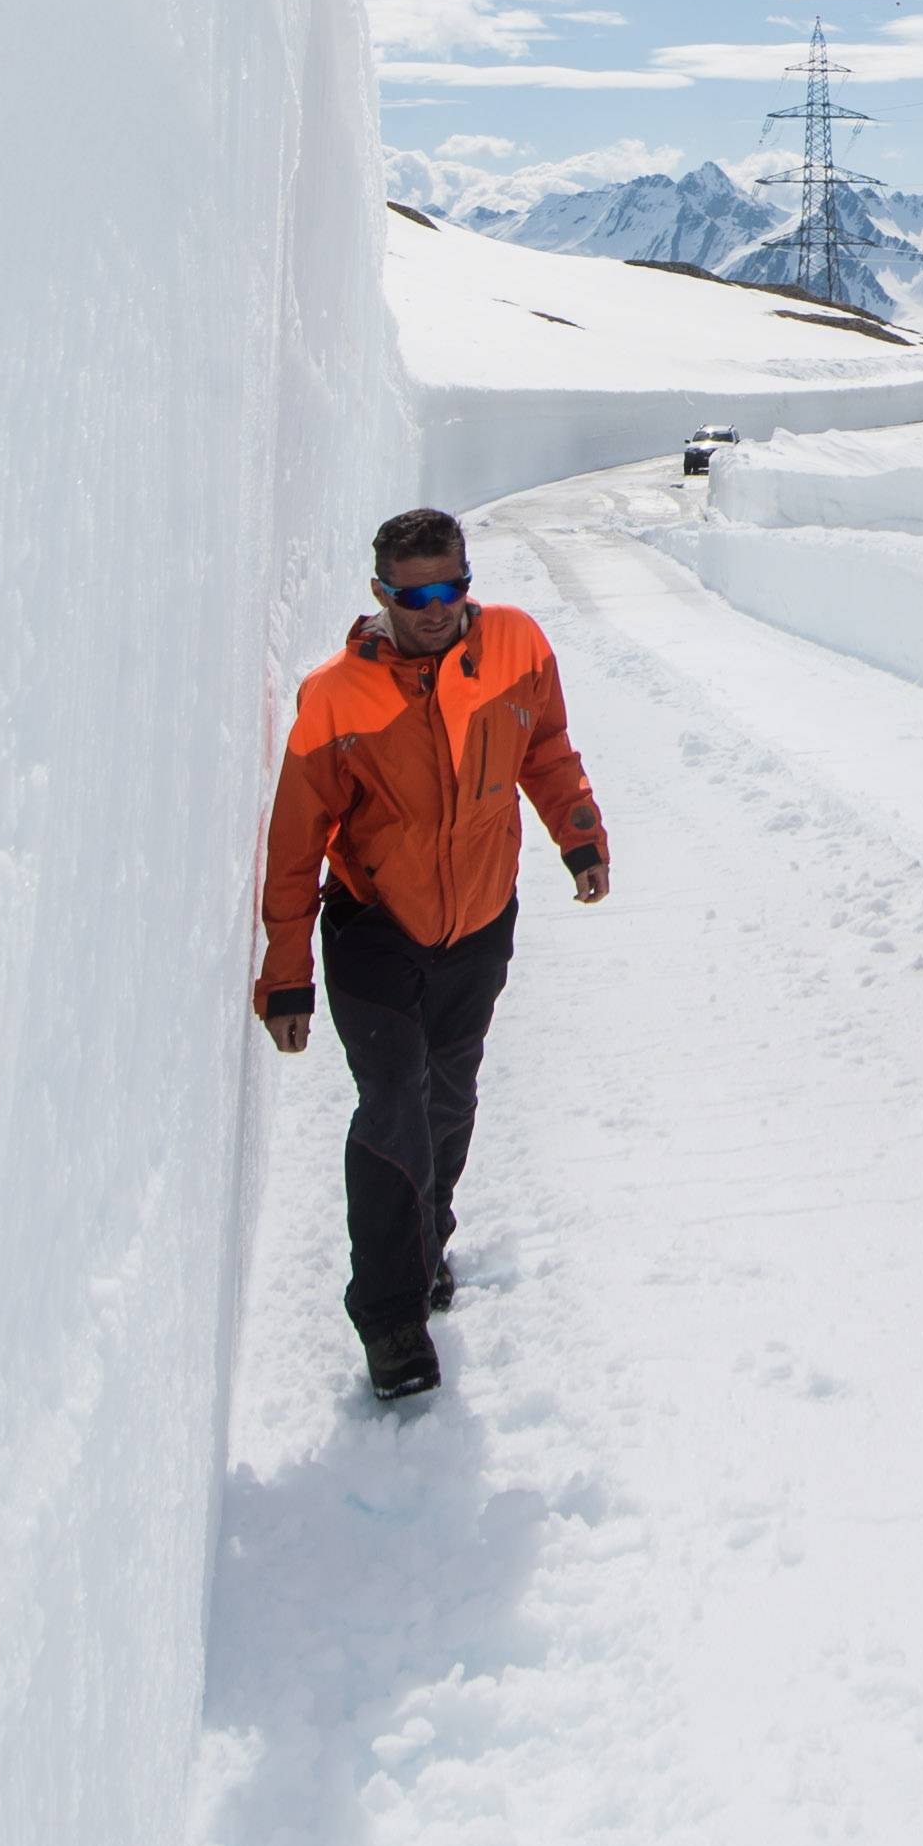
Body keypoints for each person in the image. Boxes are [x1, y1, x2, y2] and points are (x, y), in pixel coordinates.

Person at [256, 508, 610, 1404]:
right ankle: (390, 1320)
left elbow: (547, 747)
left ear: (467, 580)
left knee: (450, 1096)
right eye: (414, 595)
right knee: (393, 1104)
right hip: (377, 930)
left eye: (450, 588)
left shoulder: (517, 646)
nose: (435, 608)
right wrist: (286, 971)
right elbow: (297, 843)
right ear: (381, 594)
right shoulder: (336, 697)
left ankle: (428, 1240)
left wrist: (579, 837)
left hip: (482, 924)